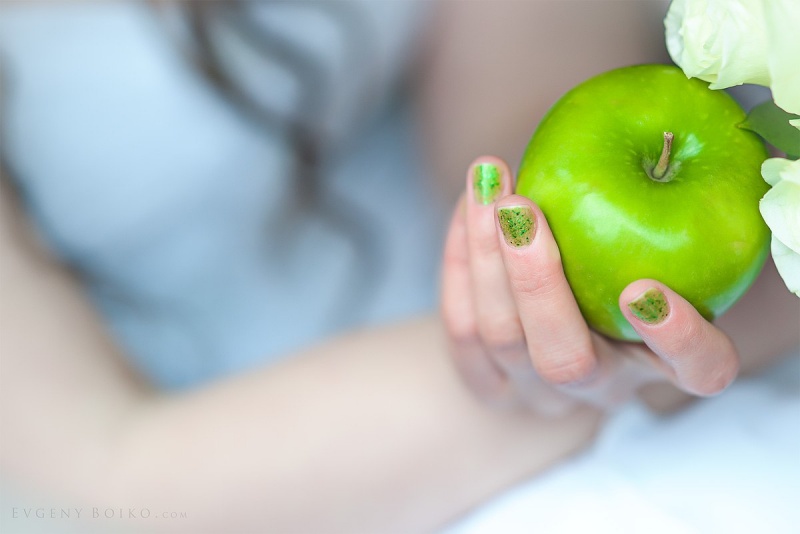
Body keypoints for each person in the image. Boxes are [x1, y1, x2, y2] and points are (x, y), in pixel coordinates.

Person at [0, 1, 797, 533]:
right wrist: (558, 366)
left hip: (486, 313)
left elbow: (517, 111)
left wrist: (558, 289)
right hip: (259, 476)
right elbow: (98, 488)